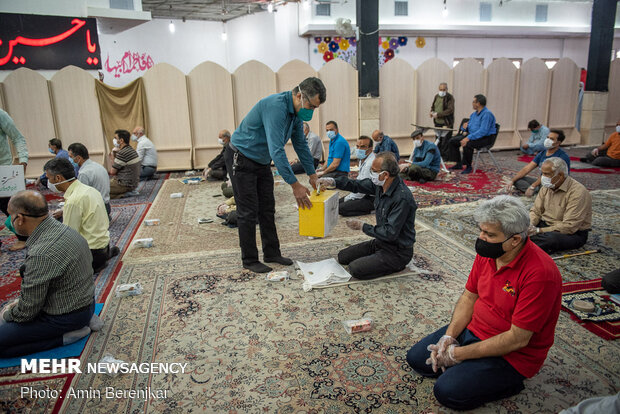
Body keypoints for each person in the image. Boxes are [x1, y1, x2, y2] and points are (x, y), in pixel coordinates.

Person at [406, 195, 562, 411]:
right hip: (476, 329)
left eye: (489, 234)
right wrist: (449, 337)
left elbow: (517, 339)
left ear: (515, 240)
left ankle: (509, 383)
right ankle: (467, 363)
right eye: (481, 230)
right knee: (415, 358)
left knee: (447, 391)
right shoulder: (489, 253)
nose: (481, 237)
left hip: (512, 355)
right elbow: (469, 296)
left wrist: (456, 355)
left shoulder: (540, 274)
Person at [224, 77, 325, 273]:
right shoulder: (275, 107)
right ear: (299, 96)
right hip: (241, 157)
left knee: (267, 208)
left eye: (315, 108)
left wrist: (312, 175)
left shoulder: (296, 114)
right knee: (248, 211)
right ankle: (250, 259)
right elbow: (277, 149)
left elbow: (300, 144)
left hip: (261, 161)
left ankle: (271, 253)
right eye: (311, 106)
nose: (311, 111)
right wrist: (295, 185)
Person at [0, 190, 98, 358]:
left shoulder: (41, 253)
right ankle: (85, 320)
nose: (8, 222)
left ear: (20, 219)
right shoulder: (63, 229)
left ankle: (64, 337)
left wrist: (6, 314)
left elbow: (26, 312)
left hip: (65, 318)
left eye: (10, 216)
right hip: (86, 304)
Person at [318, 152, 416, 280]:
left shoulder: (402, 198)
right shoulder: (380, 186)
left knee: (355, 269)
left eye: (374, 171)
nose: (371, 174)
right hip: (381, 242)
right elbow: (356, 185)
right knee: (343, 257)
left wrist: (363, 226)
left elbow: (390, 233)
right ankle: (377, 257)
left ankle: (397, 265)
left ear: (385, 174)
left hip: (398, 251)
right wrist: (333, 182)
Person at [43, 158, 119, 273]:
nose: (49, 183)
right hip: (103, 246)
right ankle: (105, 256)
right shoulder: (89, 190)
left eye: (48, 178)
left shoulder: (74, 200)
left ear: (58, 178)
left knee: (47, 263)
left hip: (91, 255)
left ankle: (95, 265)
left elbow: (69, 238)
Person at [529, 158, 591, 254]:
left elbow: (569, 226)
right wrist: (530, 226)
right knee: (515, 226)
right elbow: (536, 211)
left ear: (561, 175)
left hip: (571, 233)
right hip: (545, 226)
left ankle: (525, 247)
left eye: (547, 174)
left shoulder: (578, 192)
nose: (542, 177)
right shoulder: (546, 187)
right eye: (542, 173)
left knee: (550, 239)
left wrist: (537, 230)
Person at [507, 129, 571, 197]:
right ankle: (538, 192)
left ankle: (539, 193)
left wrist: (533, 186)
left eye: (551, 139)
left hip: (552, 183)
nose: (548, 140)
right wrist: (512, 180)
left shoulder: (562, 157)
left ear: (558, 143)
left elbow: (552, 176)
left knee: (545, 188)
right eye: (547, 137)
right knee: (517, 180)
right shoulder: (542, 153)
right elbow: (527, 168)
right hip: (542, 181)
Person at [0, 109, 28, 251]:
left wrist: (23, 161)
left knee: (11, 208)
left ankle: (23, 238)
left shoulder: (0, 114)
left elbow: (17, 138)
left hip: (3, 172)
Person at [448, 94, 496, 174]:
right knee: (452, 141)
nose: (472, 103)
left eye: (474, 102)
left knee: (467, 143)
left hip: (486, 138)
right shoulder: (474, 114)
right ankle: (458, 164)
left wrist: (468, 137)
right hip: (474, 135)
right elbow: (468, 127)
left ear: (479, 103)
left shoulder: (487, 114)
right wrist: (464, 127)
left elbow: (483, 131)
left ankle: (468, 166)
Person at [68, 143, 111, 217]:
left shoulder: (84, 173)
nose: (69, 159)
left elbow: (80, 198)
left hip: (96, 210)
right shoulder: (98, 166)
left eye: (70, 157)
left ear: (78, 158)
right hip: (106, 206)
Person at [339, 136, 376, 217]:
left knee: (341, 208)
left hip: (371, 197)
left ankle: (372, 210)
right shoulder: (363, 159)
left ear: (370, 148)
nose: (359, 149)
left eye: (362, 147)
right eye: (357, 146)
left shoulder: (370, 163)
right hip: (363, 192)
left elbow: (362, 189)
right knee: (337, 203)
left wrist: (348, 198)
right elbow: (359, 182)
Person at [108, 129, 141, 199]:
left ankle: (125, 194)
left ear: (121, 140)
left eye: (115, 138)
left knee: (101, 190)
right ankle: (126, 193)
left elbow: (112, 172)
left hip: (124, 184)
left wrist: (112, 158)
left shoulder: (122, 153)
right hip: (134, 183)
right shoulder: (131, 150)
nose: (114, 140)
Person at [429, 82, 455, 159]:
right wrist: (431, 112)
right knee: (438, 140)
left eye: (444, 89)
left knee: (446, 141)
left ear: (447, 89)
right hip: (437, 122)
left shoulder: (450, 97)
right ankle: (438, 156)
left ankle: (445, 158)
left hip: (446, 123)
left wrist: (438, 114)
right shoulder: (436, 96)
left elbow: (450, 110)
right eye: (441, 89)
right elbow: (433, 106)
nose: (442, 91)